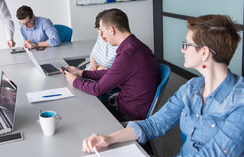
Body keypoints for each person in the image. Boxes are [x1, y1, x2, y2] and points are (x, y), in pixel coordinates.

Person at [82, 14, 244, 156]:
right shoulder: (192, 87)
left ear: (204, 53)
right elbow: (155, 123)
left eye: (187, 44)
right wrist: (108, 139)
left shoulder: (239, 102)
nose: (182, 50)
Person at [62, 9, 159, 121]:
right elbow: (112, 73)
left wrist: (74, 80)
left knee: (81, 113)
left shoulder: (128, 54)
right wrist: (81, 73)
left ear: (111, 30)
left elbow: (97, 89)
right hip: (129, 105)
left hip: (129, 114)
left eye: (102, 31)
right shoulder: (133, 46)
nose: (102, 36)